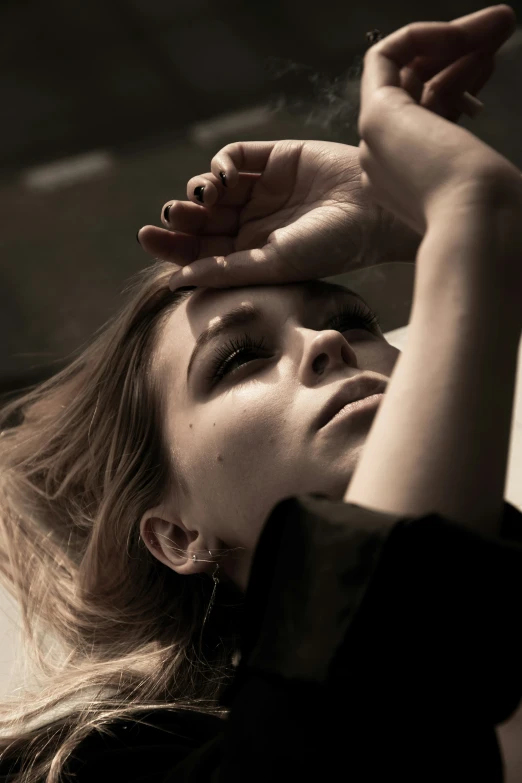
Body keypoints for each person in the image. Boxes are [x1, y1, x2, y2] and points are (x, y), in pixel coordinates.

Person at [1, 5, 521, 782]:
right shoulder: (113, 762)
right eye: (239, 358)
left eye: (351, 316)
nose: (328, 341)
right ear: (177, 536)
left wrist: (424, 222)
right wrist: (471, 216)